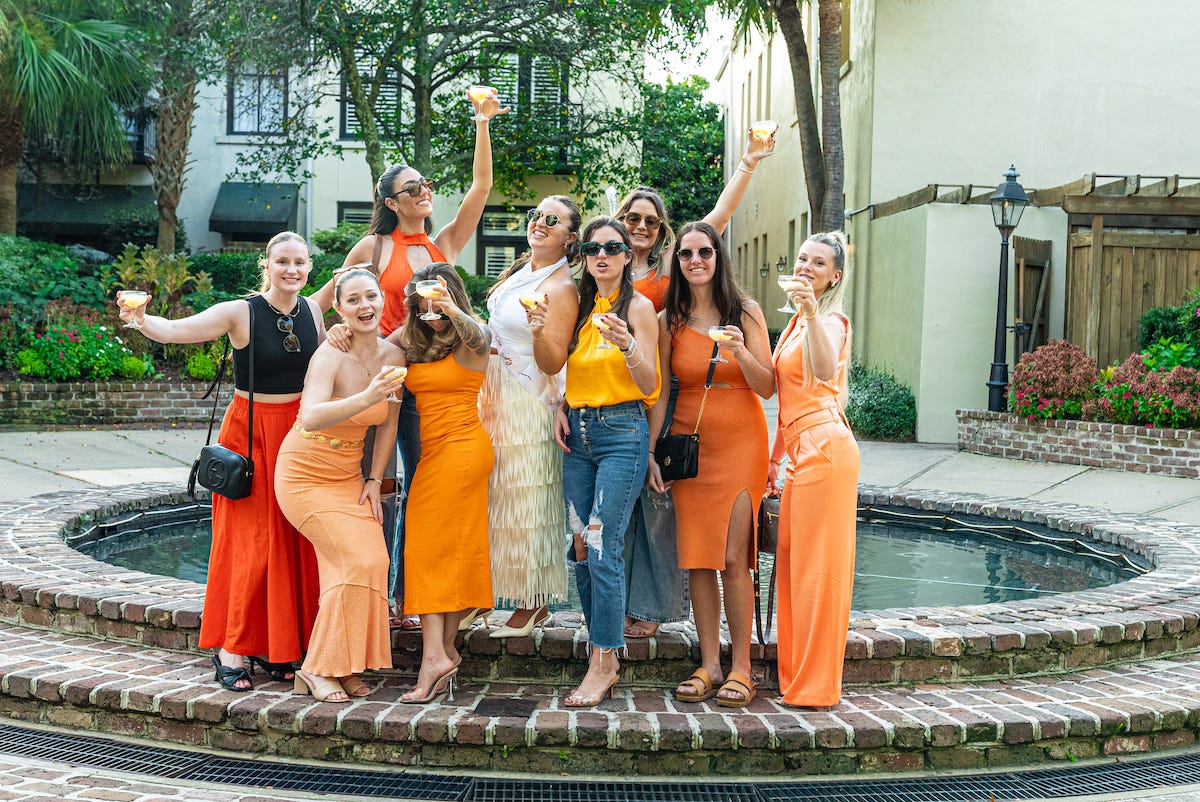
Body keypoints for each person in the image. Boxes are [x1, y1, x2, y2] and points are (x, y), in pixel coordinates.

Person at [314, 88, 508, 630]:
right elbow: (331, 301)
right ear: (392, 202)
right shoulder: (372, 250)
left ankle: (413, 598)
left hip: (434, 387)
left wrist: (482, 122)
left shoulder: (443, 244)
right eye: (413, 188)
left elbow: (481, 187)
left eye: (426, 185)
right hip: (380, 384)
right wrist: (333, 332)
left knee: (425, 492)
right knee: (375, 486)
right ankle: (371, 595)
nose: (425, 192)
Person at [115, 231, 324, 692]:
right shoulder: (240, 312)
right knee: (250, 544)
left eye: (300, 262)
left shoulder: (313, 311)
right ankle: (231, 648)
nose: (291, 269)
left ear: (309, 267)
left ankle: (277, 647)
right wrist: (141, 320)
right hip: (251, 436)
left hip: (298, 435)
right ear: (266, 265)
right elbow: (176, 331)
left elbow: (328, 364)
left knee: (292, 541)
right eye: (282, 261)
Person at [615, 131, 775, 640]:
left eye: (650, 220)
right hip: (616, 397)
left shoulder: (671, 268)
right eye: (632, 218)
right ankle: (623, 607)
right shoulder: (603, 263)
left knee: (667, 521)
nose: (640, 226)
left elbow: (717, 218)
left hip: (680, 391)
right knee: (620, 514)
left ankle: (654, 609)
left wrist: (748, 162)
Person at [647, 222, 774, 708]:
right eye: (685, 254)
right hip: (690, 444)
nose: (695, 260)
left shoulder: (746, 312)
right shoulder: (668, 321)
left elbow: (767, 386)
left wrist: (739, 350)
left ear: (719, 257)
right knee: (698, 558)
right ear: (677, 261)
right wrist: (653, 453)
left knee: (734, 558)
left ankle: (742, 667)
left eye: (704, 252)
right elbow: (661, 394)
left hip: (741, 441)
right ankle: (709, 664)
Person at [274, 269, 404, 702]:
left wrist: (374, 479)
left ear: (382, 299)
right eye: (353, 300)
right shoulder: (329, 354)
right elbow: (310, 416)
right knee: (355, 561)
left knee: (374, 561)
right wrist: (367, 397)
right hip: (305, 475)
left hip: (350, 476)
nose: (365, 306)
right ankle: (316, 669)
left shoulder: (394, 356)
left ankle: (342, 664)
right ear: (339, 309)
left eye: (371, 296)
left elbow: (388, 425)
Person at [554, 217, 659, 707]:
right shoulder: (578, 307)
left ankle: (604, 660)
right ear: (584, 255)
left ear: (626, 256)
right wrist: (562, 405)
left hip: (622, 432)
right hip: (578, 434)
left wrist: (628, 345)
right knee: (580, 543)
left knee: (601, 542)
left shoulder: (638, 308)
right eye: (593, 248)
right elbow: (568, 370)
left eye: (613, 248)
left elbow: (649, 385)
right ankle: (601, 648)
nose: (602, 255)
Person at [390, 263, 493, 703]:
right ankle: (445, 651)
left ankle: (433, 657)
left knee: (427, 549)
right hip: (437, 455)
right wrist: (338, 332)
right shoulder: (413, 340)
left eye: (437, 303)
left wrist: (449, 308)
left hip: (462, 451)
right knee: (447, 552)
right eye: (421, 305)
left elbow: (483, 337)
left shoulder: (470, 338)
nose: (429, 313)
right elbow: (369, 346)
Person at [479, 196, 580, 638]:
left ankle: (533, 602)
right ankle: (489, 592)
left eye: (552, 219)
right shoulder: (522, 271)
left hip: (530, 399)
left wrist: (537, 331)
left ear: (570, 238)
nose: (539, 222)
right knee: (497, 499)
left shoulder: (561, 288)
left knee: (529, 501)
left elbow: (554, 361)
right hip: (496, 393)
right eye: (536, 215)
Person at [767, 231, 859, 708]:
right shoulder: (793, 327)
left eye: (818, 263)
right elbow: (788, 400)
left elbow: (824, 372)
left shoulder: (831, 321)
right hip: (800, 448)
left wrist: (808, 312)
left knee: (818, 570)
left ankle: (816, 686)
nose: (806, 266)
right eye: (803, 258)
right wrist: (772, 459)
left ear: (834, 276)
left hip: (826, 449)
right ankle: (795, 674)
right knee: (792, 564)